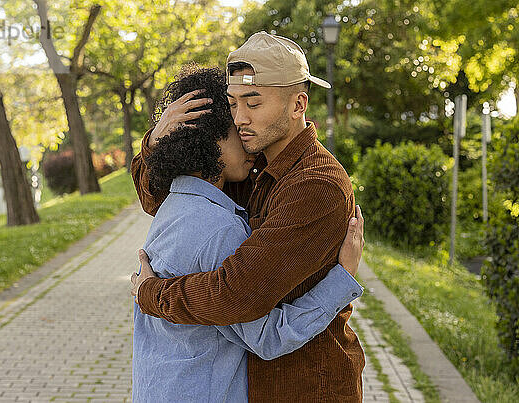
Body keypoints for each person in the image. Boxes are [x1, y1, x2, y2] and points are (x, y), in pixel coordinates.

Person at [131, 32, 365, 402]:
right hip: (256, 383)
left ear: (297, 104)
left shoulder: (315, 185)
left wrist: (150, 294)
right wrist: (157, 141)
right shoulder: (253, 165)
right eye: (233, 104)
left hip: (305, 384)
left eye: (253, 104)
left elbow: (237, 294)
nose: (240, 119)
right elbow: (162, 197)